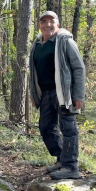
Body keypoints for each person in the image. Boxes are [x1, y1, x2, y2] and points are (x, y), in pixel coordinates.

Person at [29, 11, 86, 180]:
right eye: (43, 21)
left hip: (64, 93)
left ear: (57, 24)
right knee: (46, 127)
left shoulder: (65, 41)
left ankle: (71, 166)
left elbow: (78, 68)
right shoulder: (37, 44)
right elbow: (34, 72)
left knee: (68, 129)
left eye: (51, 21)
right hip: (45, 93)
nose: (47, 24)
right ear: (39, 25)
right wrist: (34, 93)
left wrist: (78, 95)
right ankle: (61, 157)